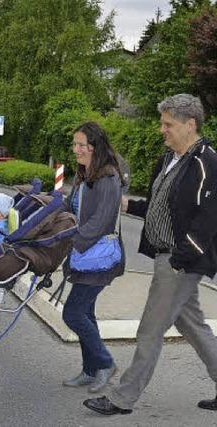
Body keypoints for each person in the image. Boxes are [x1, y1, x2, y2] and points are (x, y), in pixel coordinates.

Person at [84, 94, 217, 416]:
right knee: (193, 326)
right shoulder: (169, 159)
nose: (162, 130)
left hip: (179, 261)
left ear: (190, 124)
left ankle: (122, 398)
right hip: (167, 255)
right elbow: (162, 207)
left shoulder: (207, 163)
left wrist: (179, 260)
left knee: (149, 330)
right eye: (162, 123)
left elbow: (208, 220)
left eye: (168, 124)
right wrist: (129, 204)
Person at [61, 122, 125, 394]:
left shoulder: (108, 178)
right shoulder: (84, 175)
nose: (76, 150)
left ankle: (106, 363)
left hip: (99, 257)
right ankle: (91, 370)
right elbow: (69, 208)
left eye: (80, 145)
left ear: (94, 147)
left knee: (73, 313)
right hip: (85, 256)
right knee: (85, 312)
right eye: (74, 144)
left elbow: (102, 220)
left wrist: (71, 241)